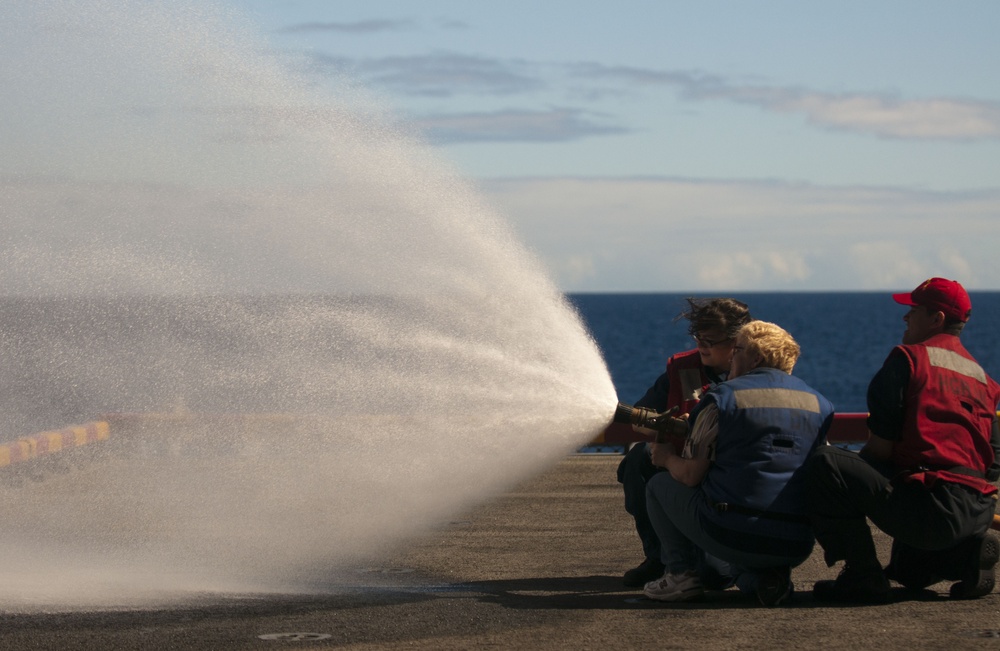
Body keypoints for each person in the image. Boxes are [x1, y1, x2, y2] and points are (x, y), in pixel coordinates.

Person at [805, 278, 1000, 602]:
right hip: (976, 507)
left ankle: (862, 576)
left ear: (936, 318)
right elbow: (993, 462)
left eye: (913, 310)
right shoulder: (983, 380)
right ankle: (967, 554)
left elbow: (880, 450)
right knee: (908, 572)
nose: (905, 318)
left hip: (931, 506)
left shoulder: (908, 361)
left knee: (826, 463)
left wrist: (852, 478)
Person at [642, 320, 834, 606]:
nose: (731, 356)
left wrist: (666, 457)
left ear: (756, 358)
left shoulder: (721, 398)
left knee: (659, 485)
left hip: (733, 533)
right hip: (795, 542)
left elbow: (691, 475)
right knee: (728, 569)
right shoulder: (819, 403)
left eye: (738, 349)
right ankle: (766, 581)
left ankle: (680, 576)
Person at [617, 297, 752, 587]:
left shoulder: (757, 372)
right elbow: (641, 418)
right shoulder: (681, 369)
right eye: (698, 338)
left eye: (712, 341)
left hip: (731, 476)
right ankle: (657, 558)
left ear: (738, 342)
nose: (702, 346)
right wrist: (667, 429)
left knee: (717, 576)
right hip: (684, 467)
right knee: (638, 460)